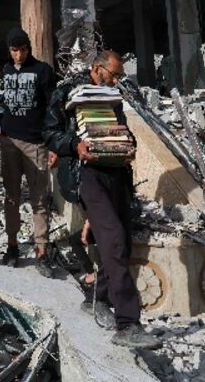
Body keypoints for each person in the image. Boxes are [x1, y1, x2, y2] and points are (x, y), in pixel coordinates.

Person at [45, 49, 161, 349]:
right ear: (98, 69)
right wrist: (75, 144)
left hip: (118, 173)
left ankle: (97, 294)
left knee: (123, 241)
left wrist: (130, 145)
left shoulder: (110, 95)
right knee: (112, 239)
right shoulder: (68, 92)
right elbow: (50, 134)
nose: (117, 81)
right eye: (114, 75)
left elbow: (121, 130)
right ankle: (128, 323)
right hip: (88, 175)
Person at [0, 28, 58, 275]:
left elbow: (54, 109)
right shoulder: (7, 70)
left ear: (29, 48)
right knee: (11, 197)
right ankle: (12, 245)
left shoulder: (43, 71)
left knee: (40, 199)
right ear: (9, 51)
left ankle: (41, 249)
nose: (19, 55)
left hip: (36, 143)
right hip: (10, 142)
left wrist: (53, 144)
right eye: (14, 50)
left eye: (22, 50)